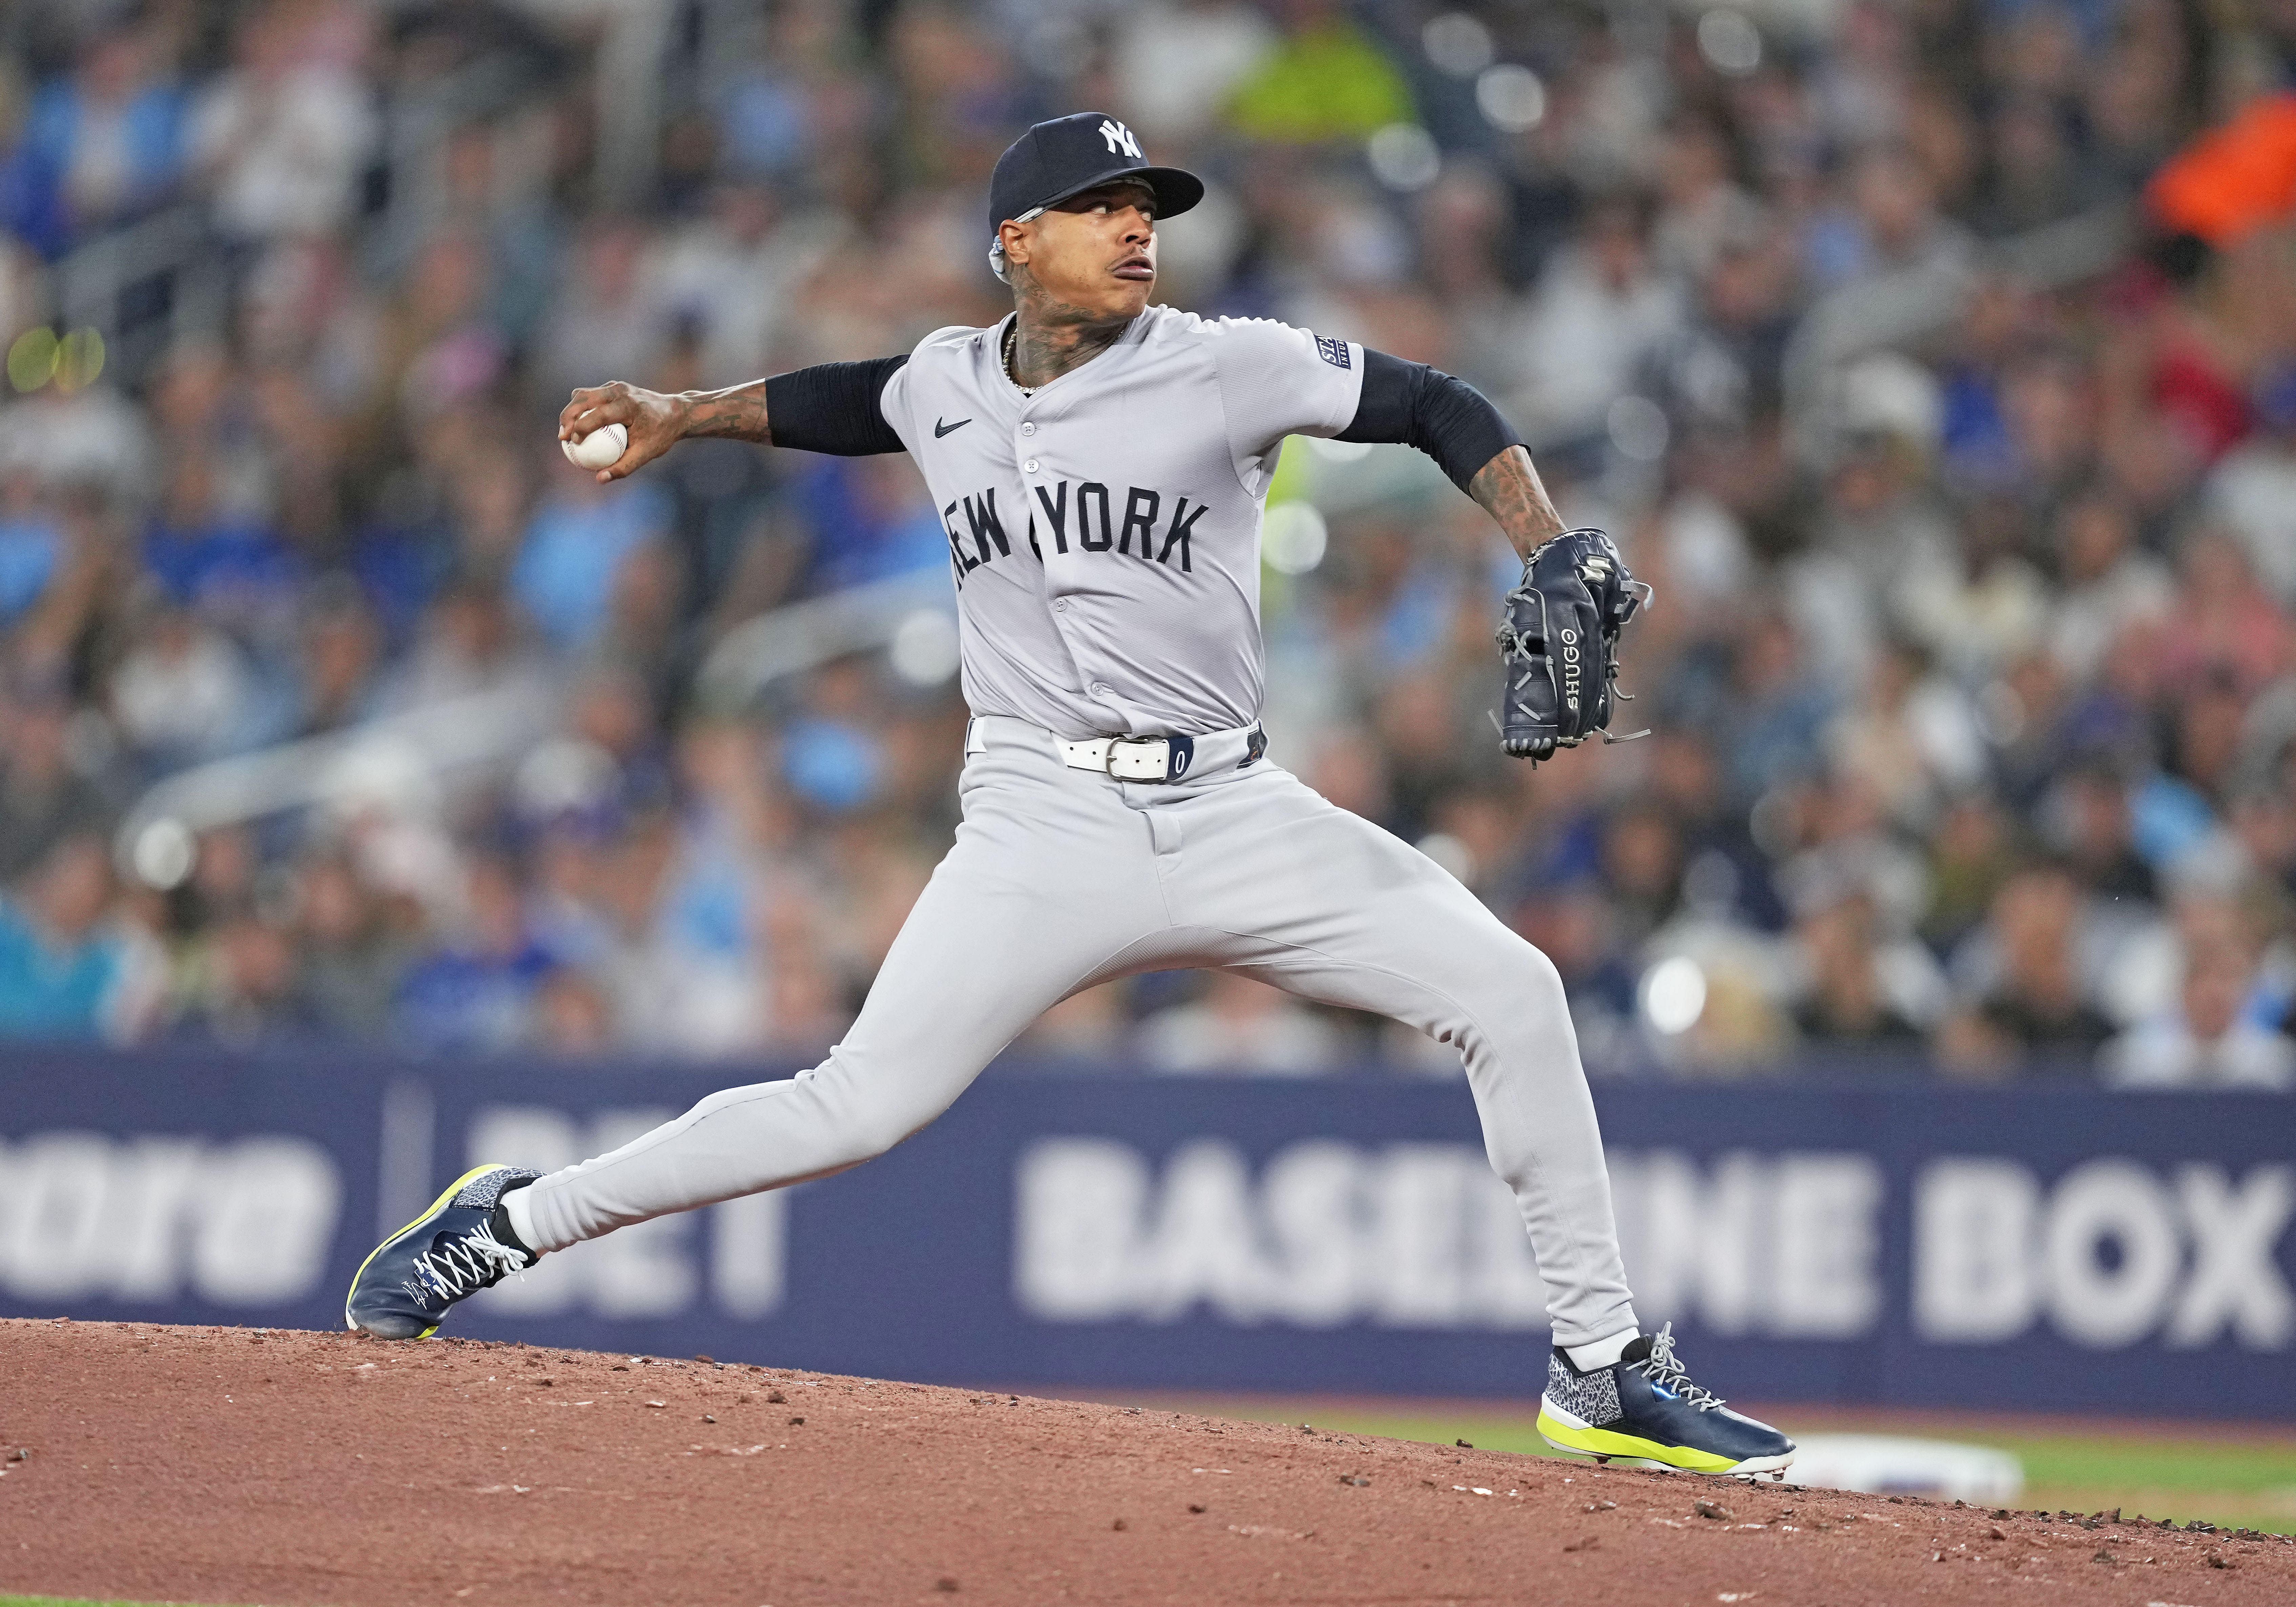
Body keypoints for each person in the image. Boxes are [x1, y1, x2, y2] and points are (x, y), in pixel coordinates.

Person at [345, 114, 1793, 1480]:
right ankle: (507, 1221)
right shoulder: (944, 381)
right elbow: (853, 404)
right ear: (1013, 243)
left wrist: (1540, 539)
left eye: (1145, 208)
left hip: (1235, 809)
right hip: (1040, 820)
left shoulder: (1225, 362)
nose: (1135, 227)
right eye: (1100, 209)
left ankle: (1596, 1364)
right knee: (855, 1104)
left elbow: (1433, 402)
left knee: (1514, 991)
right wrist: (688, 412)